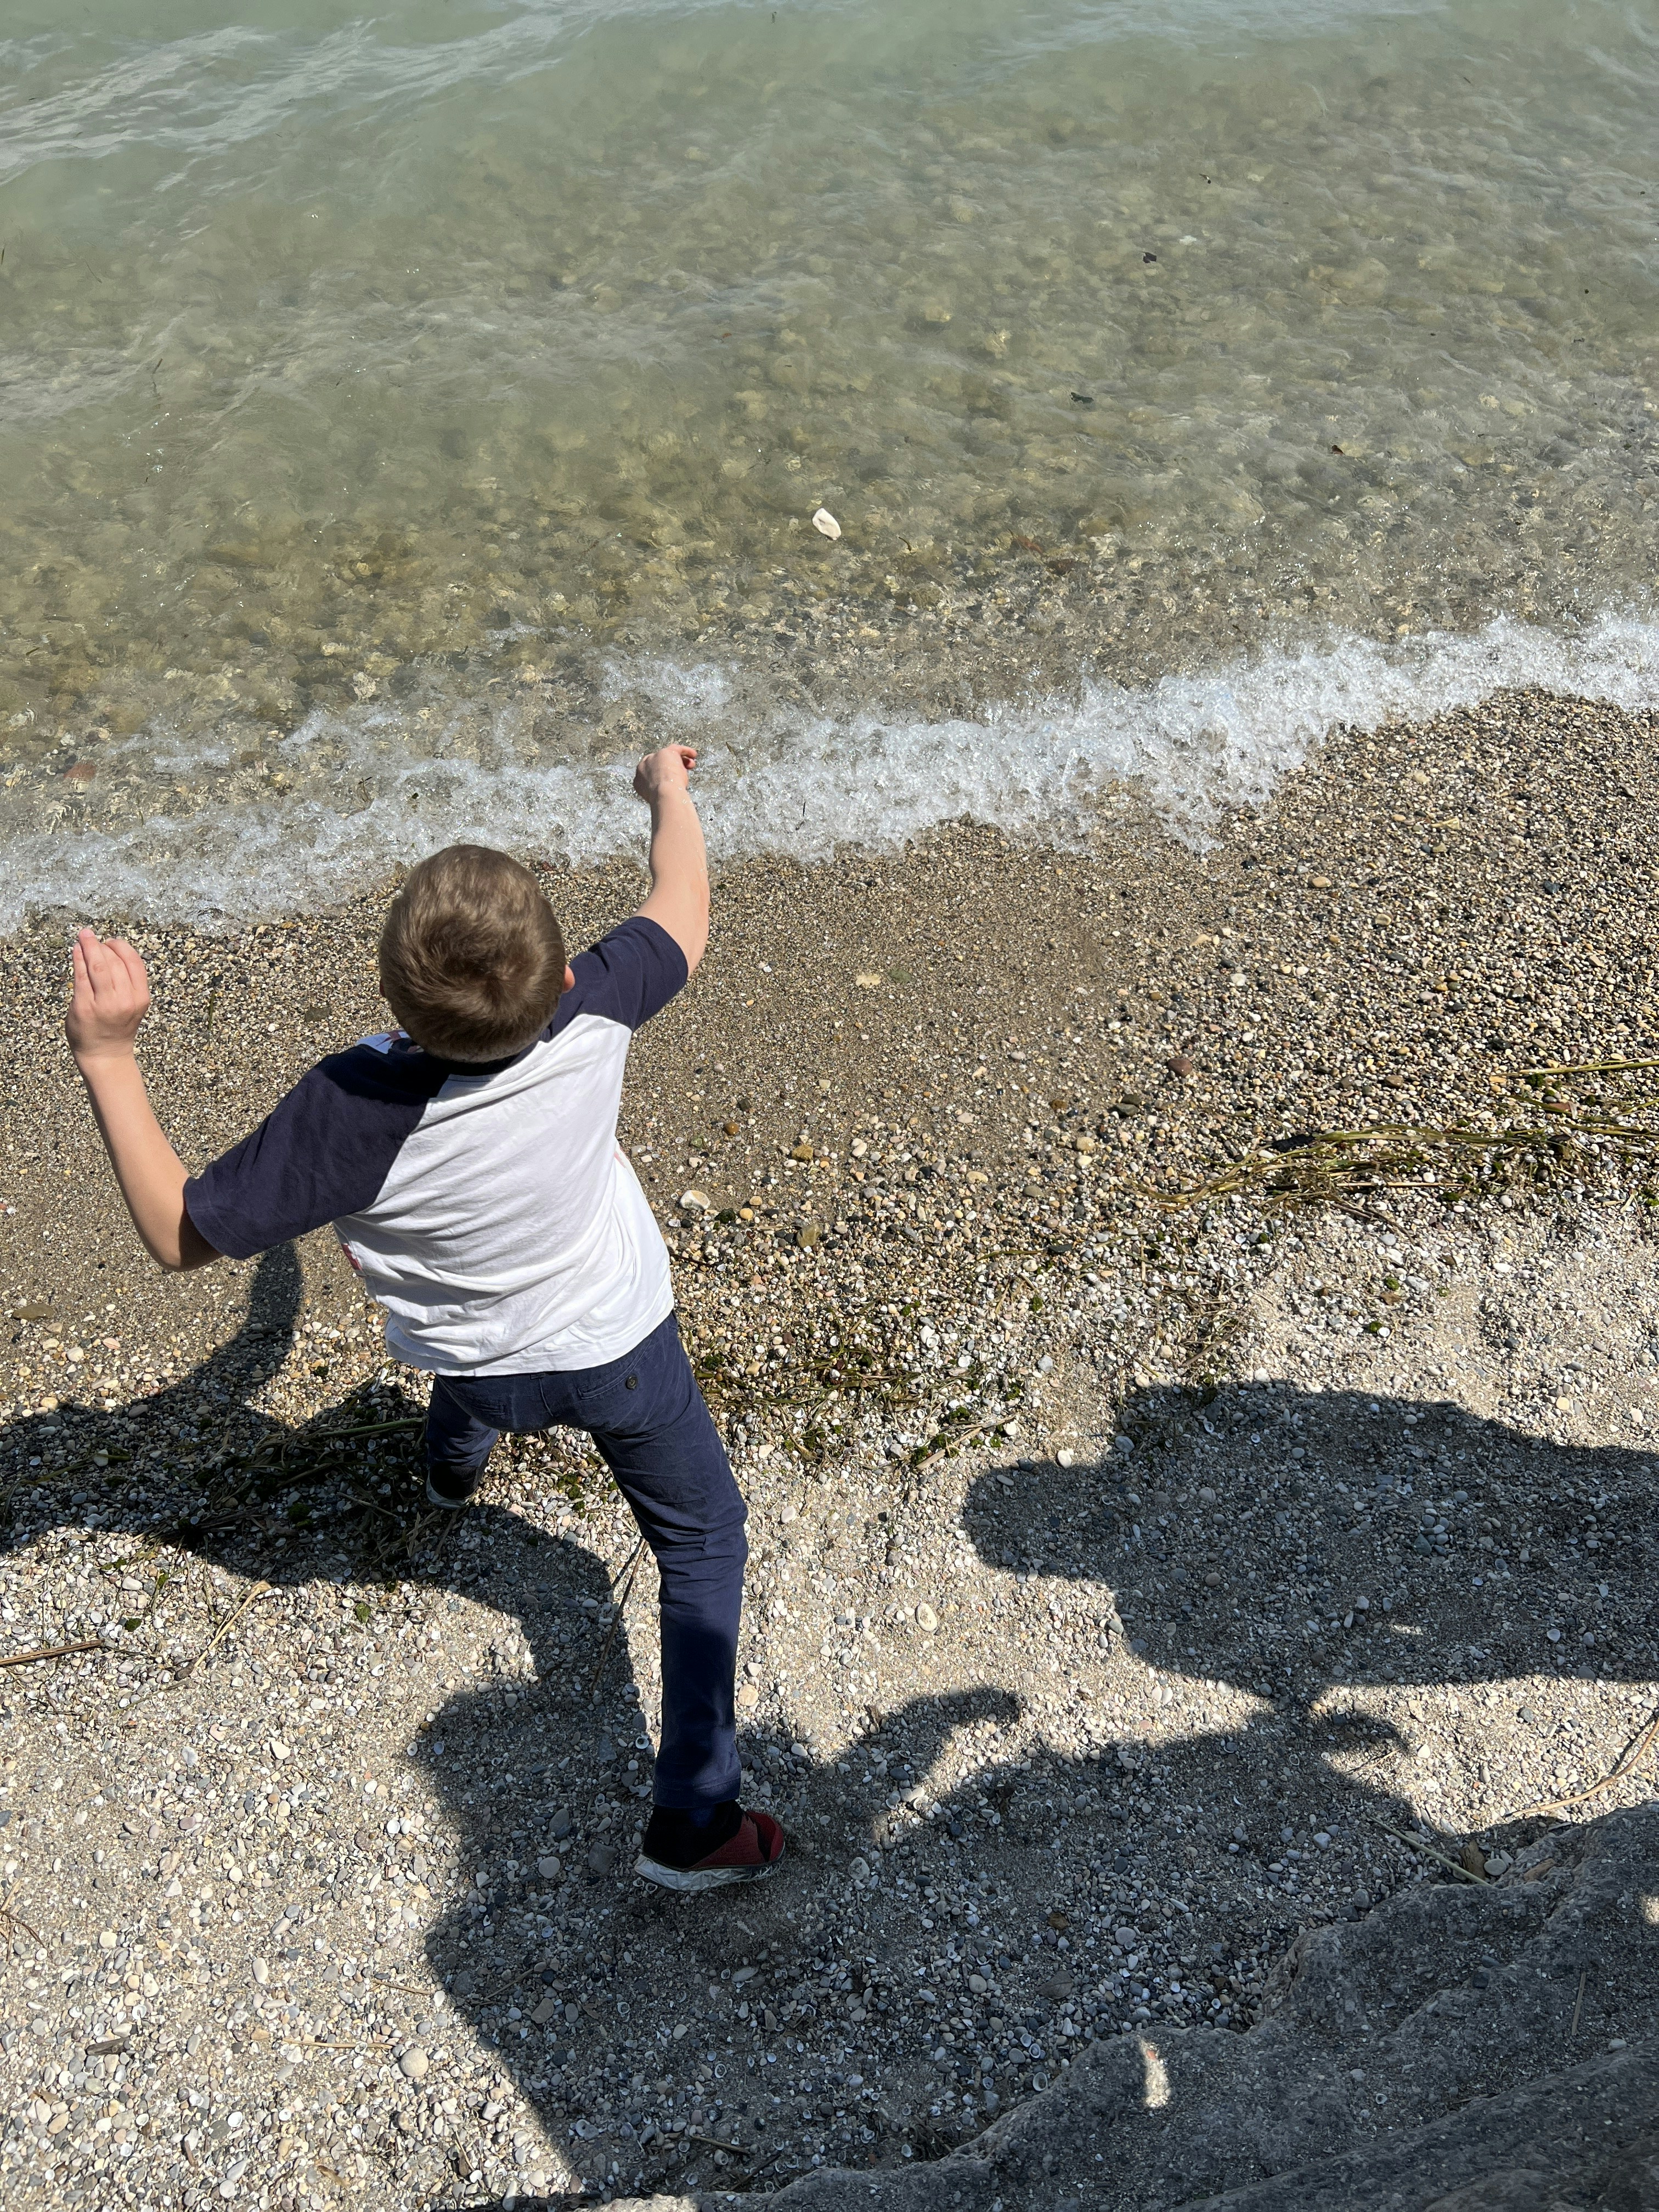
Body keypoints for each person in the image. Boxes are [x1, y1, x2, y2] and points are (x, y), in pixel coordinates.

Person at [64, 743, 782, 1894]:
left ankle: (450, 1475)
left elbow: (177, 1230)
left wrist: (108, 1053)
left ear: (391, 994)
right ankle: (695, 1818)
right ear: (555, 978)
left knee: (467, 1392)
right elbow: (682, 902)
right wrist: (670, 793)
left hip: (474, 1363)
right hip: (621, 1349)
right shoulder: (595, 1007)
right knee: (701, 1542)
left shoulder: (350, 1108)